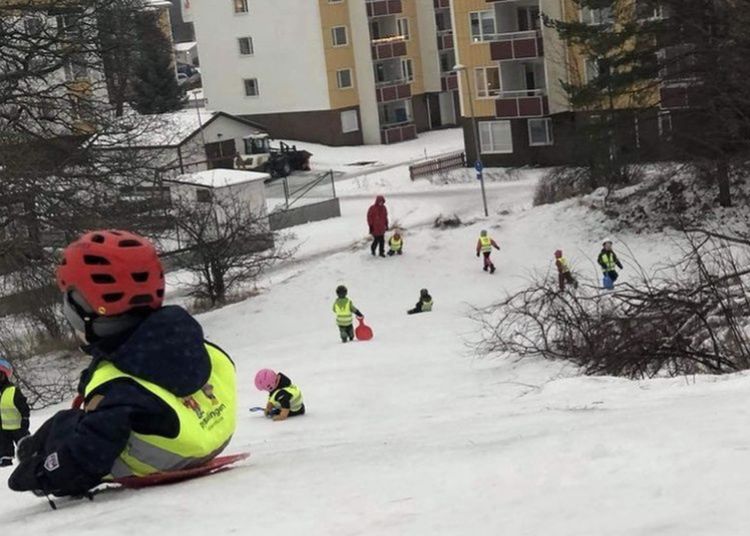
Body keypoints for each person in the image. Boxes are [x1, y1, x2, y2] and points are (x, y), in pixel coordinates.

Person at [9, 230, 237, 498]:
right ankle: (32, 445)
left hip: (167, 454)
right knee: (71, 419)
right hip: (216, 431)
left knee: (68, 425)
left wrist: (40, 473)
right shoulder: (185, 341)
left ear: (83, 311)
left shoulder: (116, 388)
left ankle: (32, 451)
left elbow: (85, 460)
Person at [0, 359, 30, 467]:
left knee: (28, 450)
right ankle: (5, 461)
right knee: (4, 454)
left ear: (4, 376)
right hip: (3, 430)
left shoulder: (13, 390)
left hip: (18, 427)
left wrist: (25, 419)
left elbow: (23, 406)